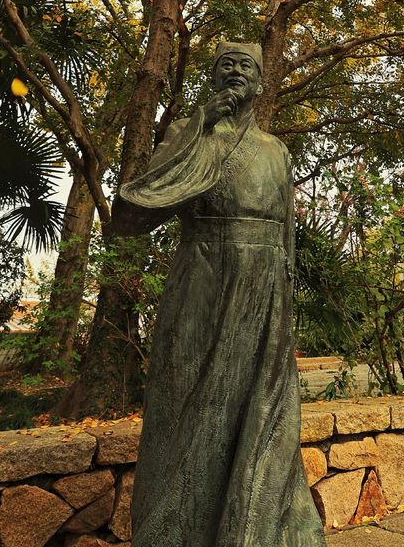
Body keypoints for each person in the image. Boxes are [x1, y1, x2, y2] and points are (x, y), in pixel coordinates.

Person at [114, 42, 326, 547]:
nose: (234, 73)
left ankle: (255, 531)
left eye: (244, 66)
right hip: (203, 279)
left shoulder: (276, 149)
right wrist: (197, 128)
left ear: (259, 80)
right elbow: (134, 210)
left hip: (264, 286)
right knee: (187, 405)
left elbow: (286, 230)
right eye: (224, 65)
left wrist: (284, 291)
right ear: (212, 78)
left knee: (264, 409)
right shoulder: (192, 136)